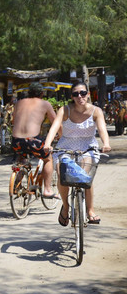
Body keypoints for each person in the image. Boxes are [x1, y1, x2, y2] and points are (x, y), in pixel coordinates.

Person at [44, 81, 111, 225]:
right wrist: (48, 144)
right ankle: (66, 206)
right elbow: (54, 128)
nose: (80, 96)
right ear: (72, 97)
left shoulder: (96, 111)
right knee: (63, 174)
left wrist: (106, 143)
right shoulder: (65, 110)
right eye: (76, 94)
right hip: (66, 146)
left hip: (88, 146)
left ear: (88, 94)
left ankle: (90, 210)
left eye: (83, 93)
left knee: (85, 177)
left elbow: (102, 129)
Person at [11, 82, 57, 197]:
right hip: (32, 141)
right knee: (48, 159)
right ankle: (47, 189)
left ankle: (17, 184)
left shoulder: (18, 103)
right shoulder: (45, 104)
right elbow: (56, 123)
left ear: (29, 93)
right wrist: (61, 136)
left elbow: (13, 121)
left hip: (16, 141)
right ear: (42, 93)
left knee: (22, 159)